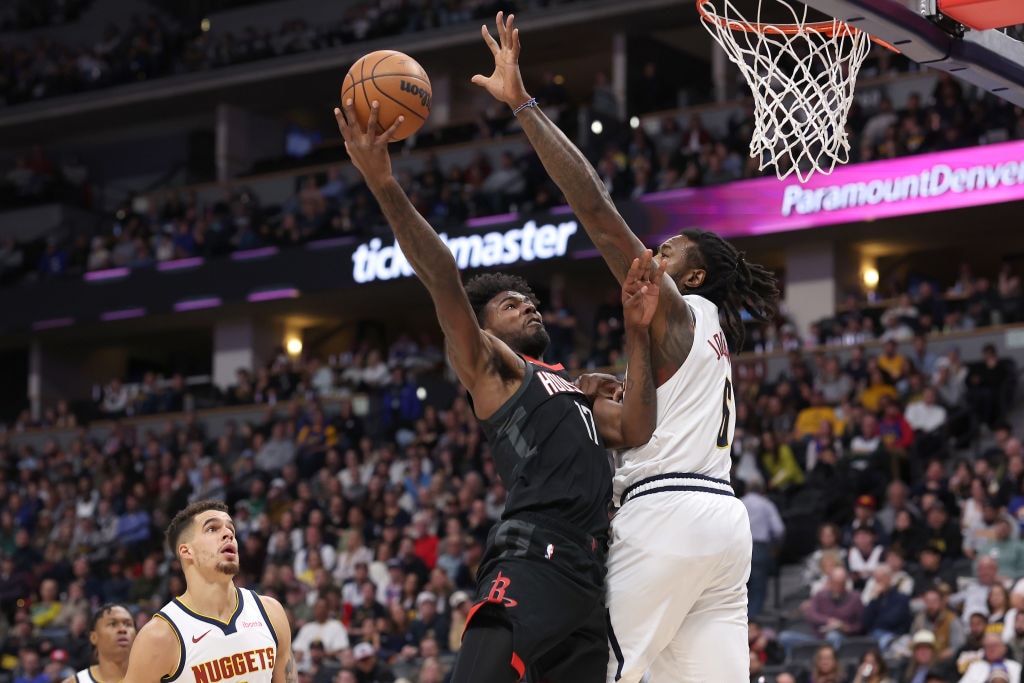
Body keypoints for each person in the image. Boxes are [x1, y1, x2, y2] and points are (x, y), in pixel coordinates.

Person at [470, 12, 780, 682]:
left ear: (692, 274)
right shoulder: (712, 336)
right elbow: (634, 399)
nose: (653, 255)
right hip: (724, 531)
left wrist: (523, 106)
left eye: (667, 251)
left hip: (663, 515)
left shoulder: (674, 303)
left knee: (600, 670)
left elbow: (599, 213)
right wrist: (595, 379)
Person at [334, 97, 662, 683]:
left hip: (589, 579)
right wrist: (384, 184)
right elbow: (441, 276)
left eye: (531, 300)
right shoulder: (492, 368)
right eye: (512, 304)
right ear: (483, 330)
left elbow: (636, 429)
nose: (529, 304)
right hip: (532, 558)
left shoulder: (569, 387)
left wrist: (637, 334)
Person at [122, 501, 295, 683]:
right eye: (212, 529)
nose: (228, 534)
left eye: (231, 529)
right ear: (186, 551)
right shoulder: (159, 636)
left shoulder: (270, 612)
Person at [64, 604, 137, 683]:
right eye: (113, 624)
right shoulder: (75, 681)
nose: (122, 629)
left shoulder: (150, 676)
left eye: (128, 624)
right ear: (93, 637)